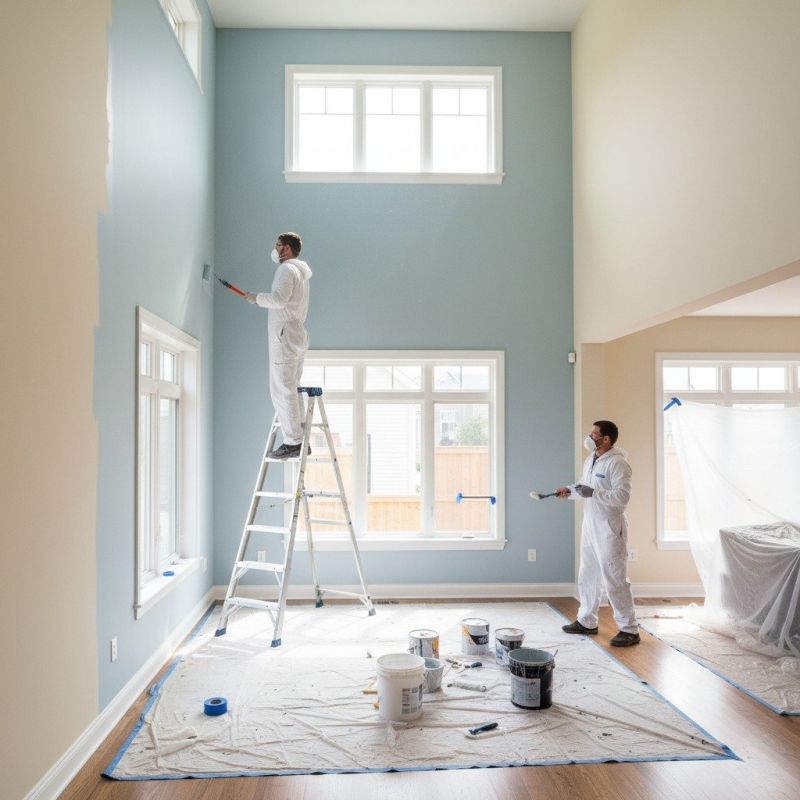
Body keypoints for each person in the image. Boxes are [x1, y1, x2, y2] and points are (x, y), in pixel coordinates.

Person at [556, 420, 640, 646]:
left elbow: (621, 498)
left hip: (610, 528)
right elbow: (585, 487)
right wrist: (569, 491)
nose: (589, 436)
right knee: (588, 574)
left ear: (606, 439)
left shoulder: (619, 464)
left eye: (594, 434)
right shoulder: (591, 459)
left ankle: (629, 629)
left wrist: (593, 493)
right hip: (590, 524)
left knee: (615, 578)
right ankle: (586, 621)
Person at [246, 232, 312, 459]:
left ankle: (293, 441)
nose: (275, 249)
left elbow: (279, 299)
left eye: (278, 245)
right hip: (295, 334)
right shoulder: (301, 273)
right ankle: (301, 439)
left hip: (284, 337)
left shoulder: (286, 270)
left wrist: (256, 298)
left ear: (286, 249)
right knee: (291, 388)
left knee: (282, 390)